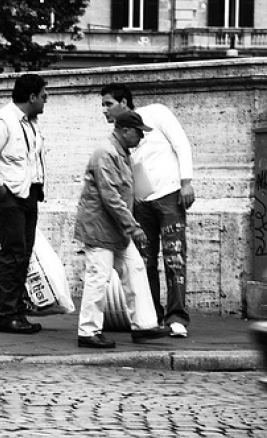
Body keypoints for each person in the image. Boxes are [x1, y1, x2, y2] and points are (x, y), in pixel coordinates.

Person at [100, 84, 194, 338]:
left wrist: (186, 182)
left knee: (174, 257)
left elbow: (181, 144)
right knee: (145, 262)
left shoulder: (157, 113)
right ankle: (153, 315)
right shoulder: (118, 135)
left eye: (108, 104)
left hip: (169, 195)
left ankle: (177, 317)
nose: (104, 110)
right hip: (141, 204)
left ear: (124, 102)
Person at [75, 111, 171, 348]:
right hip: (100, 228)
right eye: (139, 133)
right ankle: (88, 331)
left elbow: (119, 195)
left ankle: (144, 325)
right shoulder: (106, 153)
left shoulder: (119, 152)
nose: (141, 138)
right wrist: (133, 226)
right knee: (98, 277)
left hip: (114, 228)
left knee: (135, 268)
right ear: (126, 131)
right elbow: (111, 196)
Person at [0, 74, 48, 334]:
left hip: (27, 194)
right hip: (7, 196)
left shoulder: (31, 124)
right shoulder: (2, 121)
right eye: (42, 95)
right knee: (13, 253)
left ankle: (17, 309)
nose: (45, 100)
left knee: (24, 254)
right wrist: (1, 191)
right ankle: (6, 315)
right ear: (31, 97)